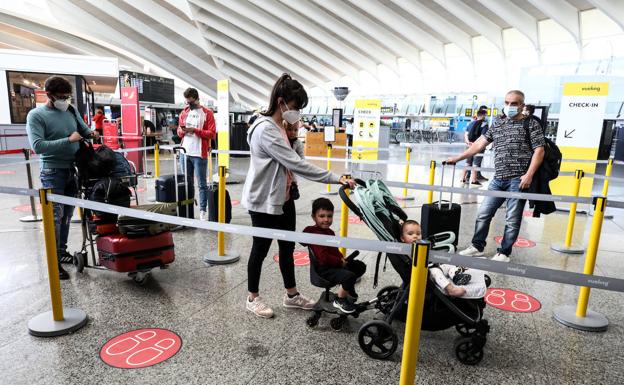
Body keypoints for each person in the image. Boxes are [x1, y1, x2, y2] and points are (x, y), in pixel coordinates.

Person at [242, 73, 356, 318]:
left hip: (283, 198)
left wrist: (294, 138)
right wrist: (336, 177)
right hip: (263, 201)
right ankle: (252, 297)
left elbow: (297, 159)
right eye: (294, 107)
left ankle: (291, 295)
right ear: (281, 102)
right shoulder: (266, 130)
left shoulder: (281, 128)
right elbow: (298, 165)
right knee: (259, 249)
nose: (296, 114)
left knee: (287, 247)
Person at [447, 90, 545, 262]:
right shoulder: (498, 123)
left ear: (522, 105)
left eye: (514, 103)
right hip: (498, 179)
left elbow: (539, 150)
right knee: (484, 213)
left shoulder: (531, 124)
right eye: (507, 103)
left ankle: (504, 252)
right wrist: (458, 158)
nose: (509, 106)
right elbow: (479, 144)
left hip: (518, 179)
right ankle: (477, 246)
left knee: (512, 219)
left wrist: (529, 175)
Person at [26, 76, 99, 280]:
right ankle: (53, 262)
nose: (65, 100)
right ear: (49, 95)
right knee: (54, 219)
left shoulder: (70, 109)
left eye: (67, 96)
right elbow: (38, 146)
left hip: (73, 169)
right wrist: (68, 140)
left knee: (67, 216)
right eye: (61, 97)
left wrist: (91, 134)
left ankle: (61, 252)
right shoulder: (36, 115)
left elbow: (83, 130)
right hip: (52, 172)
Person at [303, 198, 366, 313]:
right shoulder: (313, 234)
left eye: (329, 216)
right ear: (313, 217)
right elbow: (323, 258)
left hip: (333, 264)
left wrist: (341, 257)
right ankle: (340, 300)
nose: (326, 220)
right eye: (321, 216)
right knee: (349, 276)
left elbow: (334, 250)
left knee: (359, 266)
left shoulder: (330, 232)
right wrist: (339, 262)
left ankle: (347, 289)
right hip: (323, 270)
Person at [176, 87, 216, 221]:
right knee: (187, 183)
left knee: (202, 184)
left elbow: (212, 134)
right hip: (184, 153)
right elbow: (178, 132)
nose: (189, 105)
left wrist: (195, 130)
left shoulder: (207, 113)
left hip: (199, 154)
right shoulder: (184, 112)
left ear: (197, 99)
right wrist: (183, 131)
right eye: (187, 102)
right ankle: (188, 211)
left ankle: (203, 210)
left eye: (191, 102)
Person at [461, 108, 489, 186]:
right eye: (486, 115)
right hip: (478, 146)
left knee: (468, 162)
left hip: (469, 145)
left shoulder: (471, 123)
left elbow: (466, 133)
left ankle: (462, 178)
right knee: (476, 163)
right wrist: (475, 144)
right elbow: (482, 136)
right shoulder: (485, 124)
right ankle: (474, 180)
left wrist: (468, 142)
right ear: (484, 115)